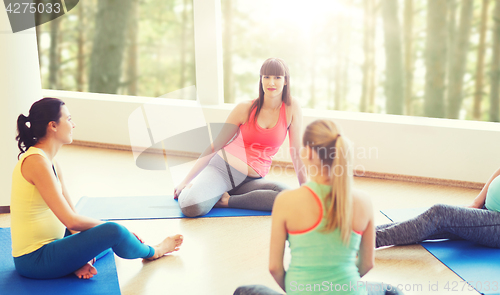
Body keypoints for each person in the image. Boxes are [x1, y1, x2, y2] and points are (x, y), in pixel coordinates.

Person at [11, 97, 183, 280]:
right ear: (53, 125)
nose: (73, 124)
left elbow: (73, 214)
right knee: (114, 231)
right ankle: (154, 251)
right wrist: (116, 230)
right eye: (69, 119)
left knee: (107, 236)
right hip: (35, 260)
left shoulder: (50, 162)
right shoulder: (36, 163)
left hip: (56, 244)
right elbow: (71, 221)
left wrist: (88, 249)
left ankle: (78, 263)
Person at [235, 120, 402, 295]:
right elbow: (367, 264)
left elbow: (274, 268)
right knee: (390, 290)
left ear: (307, 153)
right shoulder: (364, 201)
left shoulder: (286, 201)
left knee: (244, 291)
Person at [174, 58, 307, 217]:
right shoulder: (245, 108)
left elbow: (297, 153)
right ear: (261, 79)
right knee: (192, 207)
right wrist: (185, 181)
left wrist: (307, 192)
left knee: (286, 196)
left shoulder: (292, 108)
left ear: (286, 81)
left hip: (251, 181)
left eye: (277, 77)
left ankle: (226, 200)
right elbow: (215, 145)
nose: (271, 82)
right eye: (266, 77)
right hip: (222, 170)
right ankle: (200, 188)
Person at [376, 167, 500, 248]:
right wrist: (476, 203)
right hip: (488, 209)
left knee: (440, 214)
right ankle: (362, 234)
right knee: (429, 224)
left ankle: (366, 241)